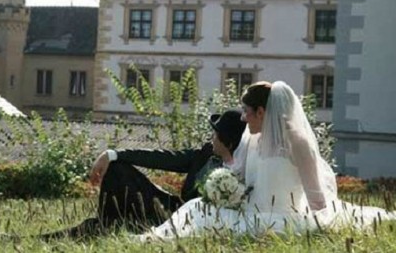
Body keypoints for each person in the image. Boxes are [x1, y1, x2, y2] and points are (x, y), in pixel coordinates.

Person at [136, 81, 396, 241]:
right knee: (194, 208)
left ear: (262, 112)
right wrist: (224, 187)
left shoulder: (297, 142)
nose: (243, 119)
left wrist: (323, 221)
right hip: (252, 212)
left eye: (247, 112)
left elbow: (316, 198)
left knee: (200, 217)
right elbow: (238, 173)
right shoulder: (254, 138)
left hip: (283, 219)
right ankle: (154, 239)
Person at [0, 108, 247, 240]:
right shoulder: (203, 154)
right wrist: (112, 153)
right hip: (166, 209)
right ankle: (105, 224)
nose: (211, 137)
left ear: (227, 140)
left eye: (215, 133)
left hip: (186, 223)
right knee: (118, 170)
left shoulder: (243, 169)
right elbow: (160, 157)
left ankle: (17, 240)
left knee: (89, 229)